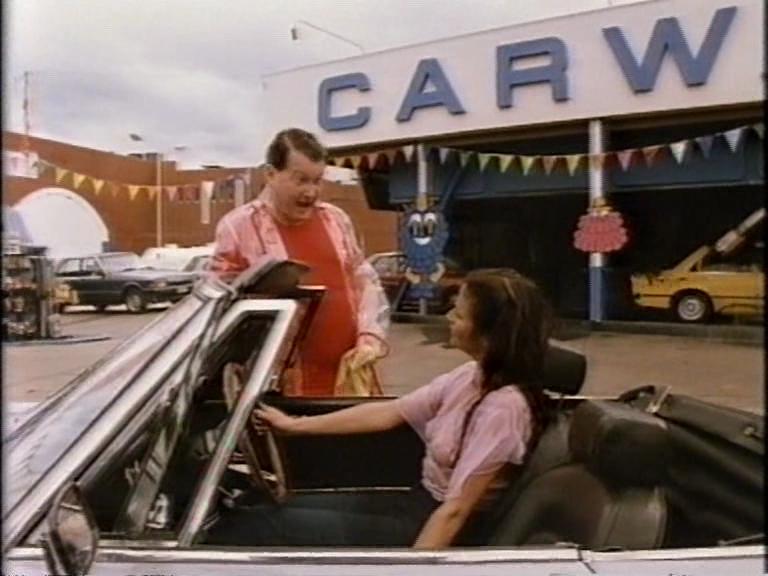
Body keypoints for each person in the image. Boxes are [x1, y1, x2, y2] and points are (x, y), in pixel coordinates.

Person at [207, 269, 553, 549]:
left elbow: (456, 510)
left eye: (459, 314)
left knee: (261, 525)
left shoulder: (505, 410)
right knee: (269, 507)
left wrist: (413, 568)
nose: (449, 318)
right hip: (415, 502)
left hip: (433, 525)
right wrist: (294, 425)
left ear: (489, 335)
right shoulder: (470, 377)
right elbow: (390, 413)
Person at [209, 128, 390, 396]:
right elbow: (218, 306)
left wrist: (369, 337)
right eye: (301, 180)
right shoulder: (238, 228)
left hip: (346, 378)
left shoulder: (336, 220)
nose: (311, 192)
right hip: (280, 386)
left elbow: (364, 282)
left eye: (317, 181)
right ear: (270, 174)